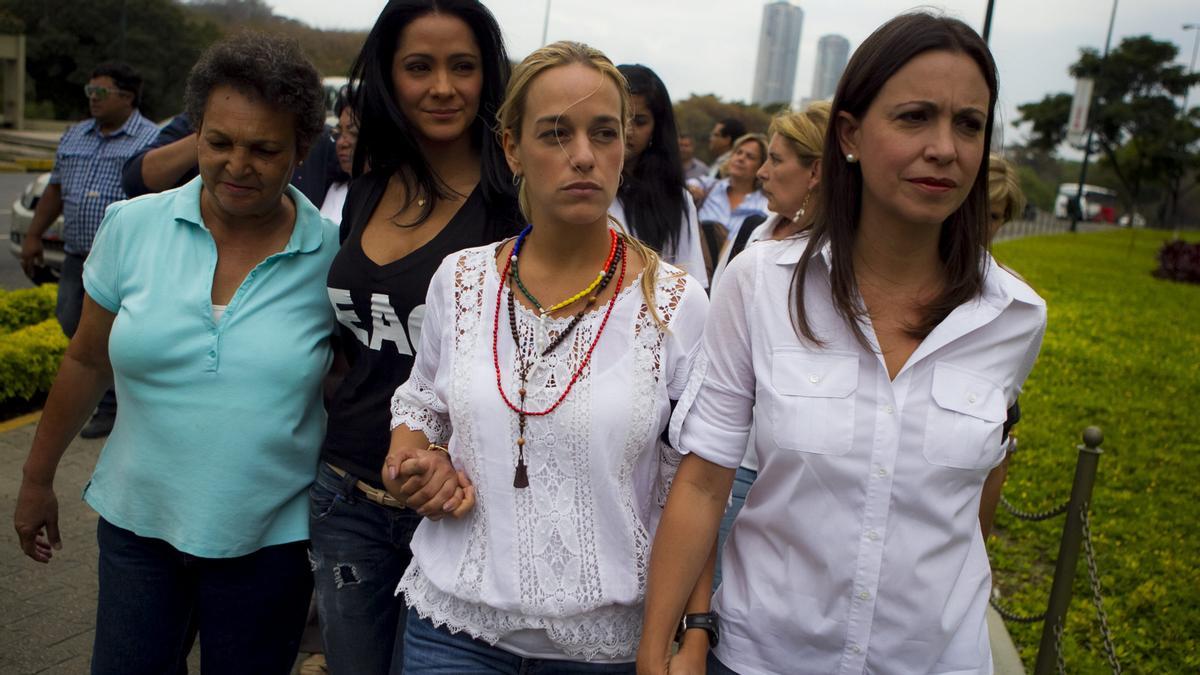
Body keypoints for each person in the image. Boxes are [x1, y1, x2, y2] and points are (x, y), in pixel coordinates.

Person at [638, 13, 1047, 675]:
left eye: (969, 123)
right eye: (915, 117)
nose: (945, 147)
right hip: (763, 655)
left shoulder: (1014, 317)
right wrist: (666, 642)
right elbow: (705, 481)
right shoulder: (760, 285)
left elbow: (975, 502)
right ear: (851, 135)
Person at [381, 40, 710, 673]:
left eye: (604, 133)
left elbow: (693, 482)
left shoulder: (674, 304)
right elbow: (422, 404)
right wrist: (413, 462)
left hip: (606, 646)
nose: (583, 156)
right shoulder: (463, 281)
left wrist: (689, 634)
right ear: (512, 149)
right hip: (454, 627)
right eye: (556, 134)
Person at [12, 34, 335, 675]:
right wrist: (35, 478)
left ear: (301, 150)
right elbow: (84, 361)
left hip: (270, 545)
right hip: (138, 532)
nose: (237, 164)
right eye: (219, 142)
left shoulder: (334, 255)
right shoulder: (132, 226)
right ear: (196, 137)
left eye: (264, 149)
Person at [309, 2, 522, 673]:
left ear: (490, 78)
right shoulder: (369, 183)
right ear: (386, 77)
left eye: (464, 67)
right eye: (418, 67)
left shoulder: (515, 203)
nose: (443, 87)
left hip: (462, 505)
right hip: (346, 494)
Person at [706, 101, 830, 590]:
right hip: (727, 456)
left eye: (776, 160)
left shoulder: (844, 264)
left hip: (790, 470)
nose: (761, 171)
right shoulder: (748, 235)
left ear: (816, 172)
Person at [20, 62, 158, 439]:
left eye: (101, 93)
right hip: (78, 254)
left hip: (128, 262)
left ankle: (113, 405)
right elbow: (54, 191)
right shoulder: (75, 135)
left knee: (115, 333)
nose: (93, 99)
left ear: (127, 98)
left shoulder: (152, 139)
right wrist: (34, 235)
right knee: (69, 320)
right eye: (89, 92)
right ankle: (106, 393)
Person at [611, 64, 706, 286]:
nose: (628, 129)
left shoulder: (675, 198)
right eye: (620, 116)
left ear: (656, 128)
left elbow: (689, 283)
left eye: (640, 121)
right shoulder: (578, 187)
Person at [978, 153, 1029, 540]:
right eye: (973, 209)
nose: (981, 225)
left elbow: (999, 449)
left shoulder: (1014, 308)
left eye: (993, 216)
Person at [694, 133, 770, 242]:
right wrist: (691, 189)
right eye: (738, 152)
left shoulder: (765, 206)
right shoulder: (708, 187)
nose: (741, 158)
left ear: (761, 166)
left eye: (750, 157)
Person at [318, 87, 357, 224]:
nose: (341, 143)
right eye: (339, 132)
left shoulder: (392, 198)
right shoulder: (336, 187)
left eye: (353, 133)